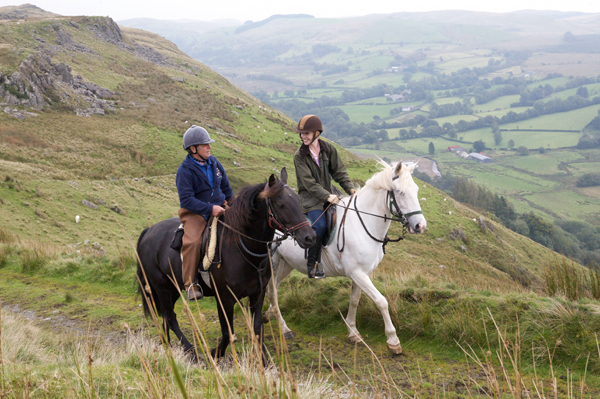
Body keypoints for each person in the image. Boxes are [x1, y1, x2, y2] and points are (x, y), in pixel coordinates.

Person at [293, 115, 356, 279]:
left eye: (306, 133)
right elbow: (309, 183)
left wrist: (350, 189)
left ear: (316, 133)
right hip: (311, 199)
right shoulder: (299, 156)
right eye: (301, 134)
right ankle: (313, 264)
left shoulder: (329, 149)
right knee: (320, 226)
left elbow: (339, 172)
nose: (303, 137)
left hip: (331, 194)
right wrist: (327, 196)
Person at [176, 125, 234, 300]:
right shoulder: (184, 171)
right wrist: (210, 209)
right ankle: (191, 284)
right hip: (196, 213)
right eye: (204, 144)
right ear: (193, 149)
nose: (209, 147)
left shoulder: (215, 163)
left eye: (209, 144)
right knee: (193, 242)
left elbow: (227, 190)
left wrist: (234, 206)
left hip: (221, 206)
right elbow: (186, 200)